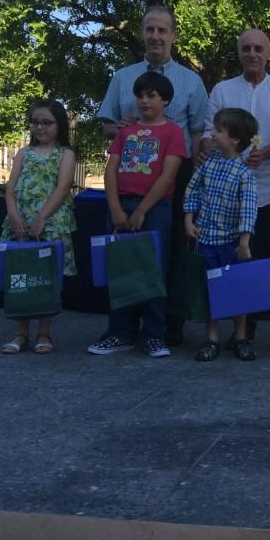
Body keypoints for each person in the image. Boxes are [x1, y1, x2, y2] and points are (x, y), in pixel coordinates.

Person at [97, 4, 209, 345]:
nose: (156, 36)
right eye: (150, 29)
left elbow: (197, 135)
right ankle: (122, 329)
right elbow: (106, 126)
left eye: (162, 30)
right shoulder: (123, 77)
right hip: (129, 177)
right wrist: (123, 127)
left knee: (168, 253)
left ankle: (163, 329)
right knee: (125, 256)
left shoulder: (192, 81)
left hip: (174, 178)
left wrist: (194, 184)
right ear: (142, 33)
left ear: (173, 35)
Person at [198, 29, 270, 351]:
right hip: (230, 195)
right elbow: (206, 132)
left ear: (269, 53)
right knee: (241, 258)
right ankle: (246, 329)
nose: (252, 54)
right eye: (246, 49)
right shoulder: (222, 90)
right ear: (239, 53)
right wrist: (205, 147)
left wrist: (264, 153)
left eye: (258, 49)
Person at [87, 72, 186, 358]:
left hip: (155, 209)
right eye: (140, 95)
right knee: (121, 270)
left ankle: (154, 334)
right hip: (121, 206)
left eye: (152, 95)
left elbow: (168, 176)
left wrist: (143, 209)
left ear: (165, 100)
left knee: (152, 270)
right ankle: (119, 332)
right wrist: (115, 207)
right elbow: (111, 169)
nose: (144, 101)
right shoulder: (125, 132)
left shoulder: (173, 133)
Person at [0, 99, 77, 354]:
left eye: (47, 122)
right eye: (35, 122)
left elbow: (63, 187)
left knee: (45, 278)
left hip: (51, 223)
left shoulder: (65, 154)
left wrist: (42, 217)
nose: (40, 127)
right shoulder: (23, 153)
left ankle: (45, 333)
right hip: (20, 223)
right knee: (20, 276)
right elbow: (11, 187)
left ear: (59, 125)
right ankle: (20, 333)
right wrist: (13, 214)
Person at [184, 108, 260, 362]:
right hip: (206, 241)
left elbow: (248, 210)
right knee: (210, 290)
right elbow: (192, 190)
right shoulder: (209, 165)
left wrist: (244, 242)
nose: (212, 134)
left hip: (231, 243)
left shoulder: (244, 174)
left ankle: (240, 337)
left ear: (235, 139)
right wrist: (188, 219)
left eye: (218, 130)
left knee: (237, 289)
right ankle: (212, 338)